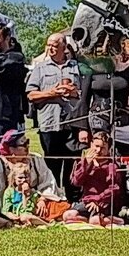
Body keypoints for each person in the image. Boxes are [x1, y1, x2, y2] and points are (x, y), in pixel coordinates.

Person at [26, 32, 89, 189]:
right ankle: (52, 197)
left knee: (72, 164)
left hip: (72, 123)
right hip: (49, 123)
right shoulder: (40, 68)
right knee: (51, 164)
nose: (50, 48)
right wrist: (51, 93)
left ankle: (71, 200)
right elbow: (31, 95)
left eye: (54, 45)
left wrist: (74, 93)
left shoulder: (77, 67)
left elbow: (85, 93)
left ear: (64, 47)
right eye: (48, 45)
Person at [0, 130, 69, 222]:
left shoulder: (35, 159)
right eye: (23, 144)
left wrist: (42, 199)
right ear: (11, 149)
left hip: (37, 201)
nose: (27, 147)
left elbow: (48, 181)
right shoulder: (0, 163)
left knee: (64, 211)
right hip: (13, 205)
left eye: (27, 142)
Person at [69, 131, 126, 225]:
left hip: (104, 203)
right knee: (68, 215)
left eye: (102, 148)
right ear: (91, 145)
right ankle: (87, 220)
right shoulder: (84, 163)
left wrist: (98, 199)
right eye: (96, 146)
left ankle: (120, 220)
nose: (98, 150)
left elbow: (114, 188)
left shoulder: (112, 166)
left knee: (95, 221)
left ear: (108, 149)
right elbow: (76, 182)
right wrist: (86, 165)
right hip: (87, 201)